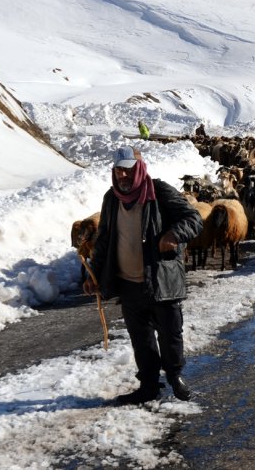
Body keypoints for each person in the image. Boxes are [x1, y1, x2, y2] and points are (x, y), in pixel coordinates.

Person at [84, 146, 202, 404]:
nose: (122, 176)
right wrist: (94, 275)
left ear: (139, 169)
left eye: (127, 170)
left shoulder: (159, 192)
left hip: (161, 280)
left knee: (171, 332)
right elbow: (104, 239)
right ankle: (148, 385)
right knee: (141, 338)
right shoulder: (112, 198)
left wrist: (173, 235)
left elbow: (193, 218)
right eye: (118, 171)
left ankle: (175, 376)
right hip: (129, 284)